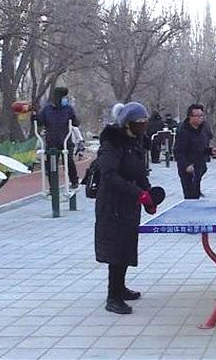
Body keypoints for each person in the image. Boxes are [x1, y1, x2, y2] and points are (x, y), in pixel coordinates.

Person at [94, 101, 158, 315]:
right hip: (113, 204)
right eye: (140, 122)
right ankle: (113, 297)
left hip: (129, 203)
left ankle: (121, 288)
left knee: (127, 246)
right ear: (128, 123)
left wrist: (148, 196)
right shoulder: (112, 144)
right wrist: (138, 193)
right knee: (116, 249)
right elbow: (109, 176)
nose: (144, 125)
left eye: (145, 121)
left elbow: (140, 172)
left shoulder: (135, 142)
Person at [174, 104, 216, 199]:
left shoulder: (203, 129)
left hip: (199, 167)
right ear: (190, 117)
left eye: (201, 115)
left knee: (196, 195)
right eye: (197, 116)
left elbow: (202, 149)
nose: (200, 118)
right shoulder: (183, 131)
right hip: (188, 170)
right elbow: (178, 152)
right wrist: (186, 166)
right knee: (190, 197)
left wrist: (211, 151)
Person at [36, 87, 81, 188]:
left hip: (66, 141)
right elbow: (40, 122)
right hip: (52, 142)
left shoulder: (68, 109)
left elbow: (75, 122)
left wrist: (76, 120)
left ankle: (74, 181)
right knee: (52, 166)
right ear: (58, 98)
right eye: (64, 97)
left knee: (68, 161)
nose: (65, 99)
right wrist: (34, 117)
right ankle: (53, 186)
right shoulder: (47, 110)